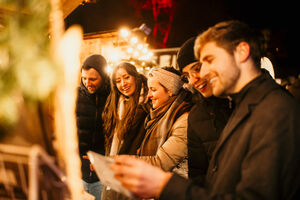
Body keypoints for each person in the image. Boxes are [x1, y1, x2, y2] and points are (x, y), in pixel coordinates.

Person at [110, 20, 300, 200]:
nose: (202, 74)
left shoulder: (274, 109)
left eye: (209, 60)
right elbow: (216, 179)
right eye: (198, 67)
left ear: (242, 52)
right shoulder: (239, 105)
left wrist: (165, 185)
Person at [177, 36, 232, 185]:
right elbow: (197, 174)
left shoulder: (254, 102)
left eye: (197, 68)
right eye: (187, 76)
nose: (193, 80)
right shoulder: (196, 116)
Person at [101, 62, 150, 200]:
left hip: (135, 172)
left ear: (135, 77)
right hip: (113, 169)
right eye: (118, 81)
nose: (123, 84)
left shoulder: (147, 103)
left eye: (126, 77)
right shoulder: (115, 103)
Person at [137, 66, 193, 178]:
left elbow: (160, 163)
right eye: (149, 90)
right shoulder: (158, 115)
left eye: (153, 90)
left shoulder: (183, 119)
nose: (149, 96)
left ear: (170, 90)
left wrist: (116, 162)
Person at [76, 54, 110, 200]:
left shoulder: (112, 97)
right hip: (78, 168)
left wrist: (100, 159)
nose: (87, 83)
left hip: (102, 169)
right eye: (84, 78)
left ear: (103, 76)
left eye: (92, 79)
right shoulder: (75, 96)